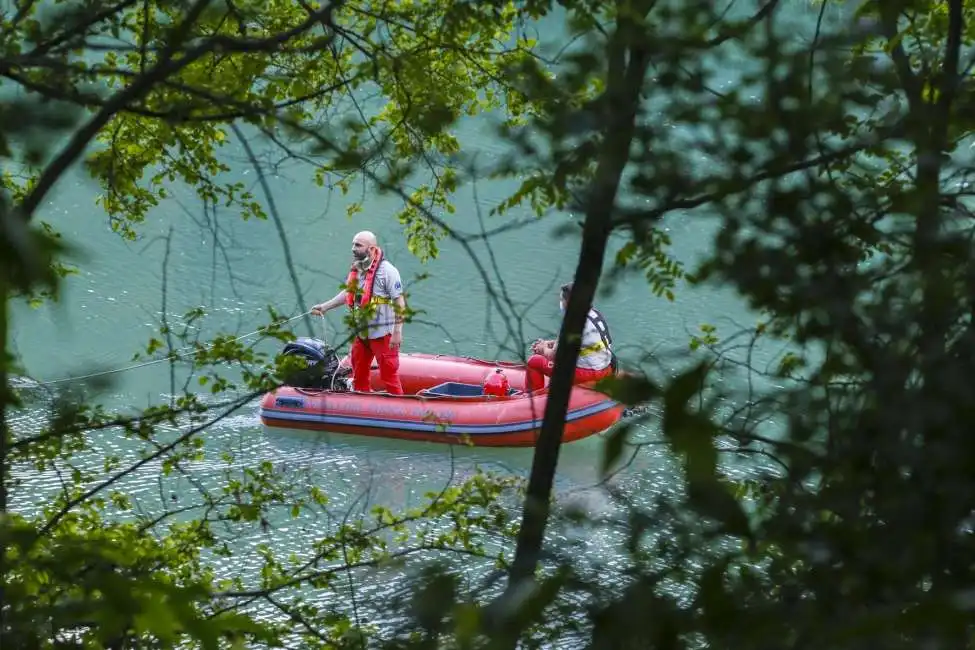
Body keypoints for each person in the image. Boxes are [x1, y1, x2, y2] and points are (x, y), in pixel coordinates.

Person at [311, 231, 406, 394]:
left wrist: (397, 333)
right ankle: (363, 406)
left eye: (358, 245)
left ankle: (402, 410)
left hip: (383, 335)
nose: (353, 249)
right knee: (359, 374)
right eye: (353, 244)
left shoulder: (388, 271)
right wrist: (325, 306)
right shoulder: (358, 269)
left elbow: (400, 303)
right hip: (362, 335)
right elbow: (348, 294)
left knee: (389, 375)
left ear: (371, 249)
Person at [526, 282, 617, 391]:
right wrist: (550, 343)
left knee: (534, 362)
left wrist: (542, 349)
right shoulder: (595, 314)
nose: (560, 303)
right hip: (606, 368)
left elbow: (555, 356)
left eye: (561, 300)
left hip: (589, 374)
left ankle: (532, 399)